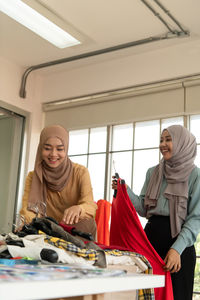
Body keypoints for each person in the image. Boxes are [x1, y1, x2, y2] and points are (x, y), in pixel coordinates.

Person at [112, 125, 200, 300]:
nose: (163, 144)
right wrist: (125, 189)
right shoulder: (153, 172)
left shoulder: (195, 175)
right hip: (150, 243)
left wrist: (176, 250)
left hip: (179, 247)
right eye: (161, 140)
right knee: (147, 295)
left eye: (168, 139)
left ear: (182, 143)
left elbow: (195, 219)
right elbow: (144, 208)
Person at [20, 125, 97, 239]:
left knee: (89, 222)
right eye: (47, 148)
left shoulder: (80, 172)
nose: (53, 154)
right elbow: (28, 209)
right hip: (47, 231)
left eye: (60, 149)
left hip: (74, 231)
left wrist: (80, 208)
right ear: (40, 148)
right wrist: (28, 224)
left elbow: (90, 205)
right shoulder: (33, 176)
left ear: (66, 149)